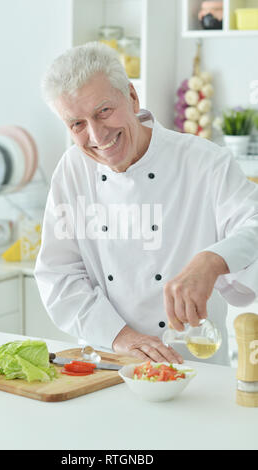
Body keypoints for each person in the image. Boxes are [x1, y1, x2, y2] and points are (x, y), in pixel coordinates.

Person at [34, 42, 258, 366]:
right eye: (77, 124)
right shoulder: (72, 171)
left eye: (104, 111)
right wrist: (122, 337)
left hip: (193, 370)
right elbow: (58, 276)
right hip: (106, 363)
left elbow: (254, 222)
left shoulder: (204, 162)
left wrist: (212, 261)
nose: (97, 135)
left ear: (132, 97)